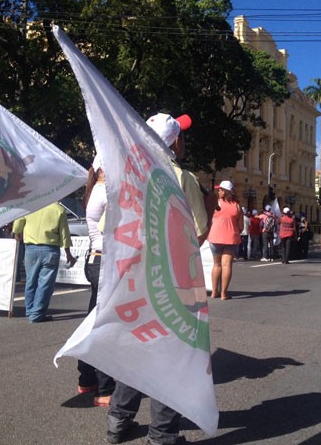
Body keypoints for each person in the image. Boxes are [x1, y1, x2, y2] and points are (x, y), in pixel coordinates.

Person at [105, 112, 209, 445]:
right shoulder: (181, 177)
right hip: (172, 280)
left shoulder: (128, 173)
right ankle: (163, 434)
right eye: (181, 135)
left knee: (137, 346)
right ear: (175, 142)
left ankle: (118, 421)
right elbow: (199, 230)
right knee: (169, 355)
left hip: (132, 276)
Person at [76, 158, 115, 406]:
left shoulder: (95, 189)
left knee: (94, 321)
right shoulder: (106, 191)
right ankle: (104, 388)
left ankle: (87, 378)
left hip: (96, 260)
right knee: (104, 325)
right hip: (106, 262)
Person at [12, 203, 76, 323]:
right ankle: (37, 313)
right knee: (45, 283)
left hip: (31, 249)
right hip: (50, 249)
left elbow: (18, 224)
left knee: (31, 281)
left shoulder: (31, 205)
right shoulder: (59, 209)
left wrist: (17, 232)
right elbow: (64, 235)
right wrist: (68, 253)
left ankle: (30, 310)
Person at [207, 180, 243, 300]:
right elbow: (241, 226)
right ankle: (224, 294)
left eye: (220, 189)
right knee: (227, 265)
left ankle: (214, 292)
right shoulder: (237, 206)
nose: (218, 191)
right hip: (231, 238)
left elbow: (207, 218)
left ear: (225, 191)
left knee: (216, 265)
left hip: (215, 237)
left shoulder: (216, 203)